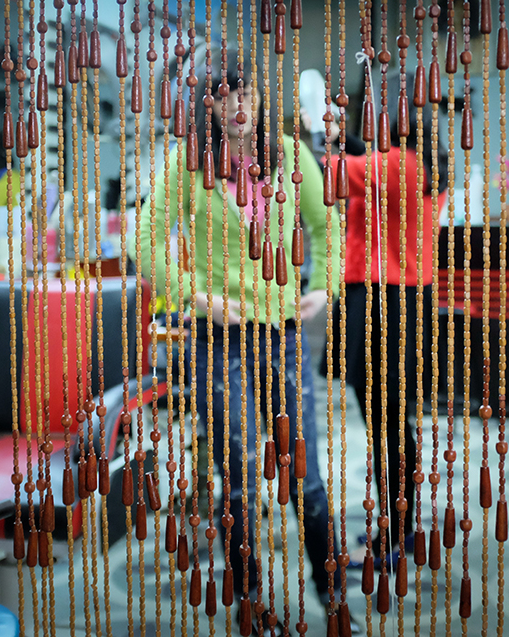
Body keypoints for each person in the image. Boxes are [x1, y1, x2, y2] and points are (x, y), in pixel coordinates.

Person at [135, 50, 349, 633]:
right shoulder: (188, 164)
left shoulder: (290, 156)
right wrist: (194, 295)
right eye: (224, 96)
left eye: (245, 93)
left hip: (282, 337)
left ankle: (333, 599)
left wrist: (324, 286)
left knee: (304, 473)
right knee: (239, 477)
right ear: (208, 107)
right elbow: (144, 238)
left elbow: (328, 223)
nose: (237, 105)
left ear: (259, 96)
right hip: (217, 340)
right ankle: (249, 604)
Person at [327, 77, 435, 566]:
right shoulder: (406, 162)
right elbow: (358, 158)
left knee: (386, 421)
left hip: (384, 304)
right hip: (383, 298)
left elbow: (332, 173)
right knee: (388, 420)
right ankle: (399, 525)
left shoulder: (396, 165)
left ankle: (396, 531)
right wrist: (343, 137)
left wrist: (317, 134)